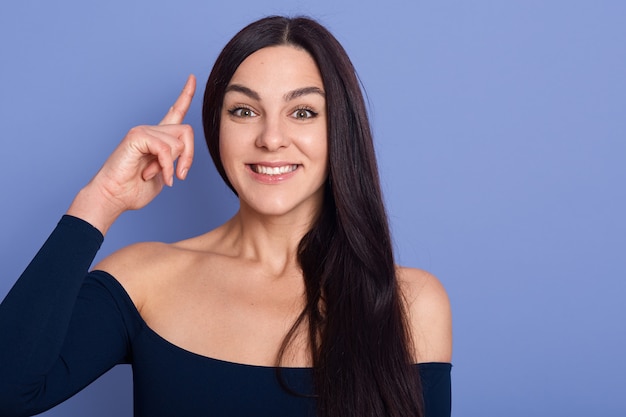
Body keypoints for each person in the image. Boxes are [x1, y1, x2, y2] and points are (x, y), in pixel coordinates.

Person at [0, 15, 452, 417]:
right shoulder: (143, 280)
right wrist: (100, 199)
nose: (271, 138)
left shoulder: (411, 303)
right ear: (217, 129)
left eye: (302, 112)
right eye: (244, 110)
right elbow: (9, 390)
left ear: (340, 131)